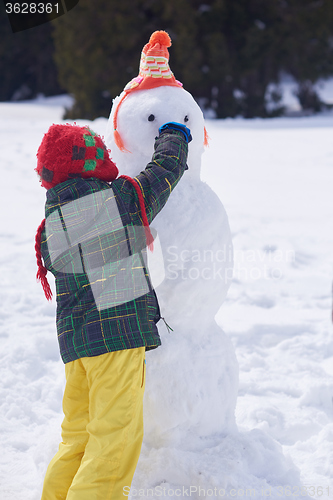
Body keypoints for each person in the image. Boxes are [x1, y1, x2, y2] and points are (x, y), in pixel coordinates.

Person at [34, 121, 191, 499]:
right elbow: (163, 172)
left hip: (76, 351)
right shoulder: (117, 201)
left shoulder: (50, 225)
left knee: (77, 438)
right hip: (114, 341)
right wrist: (174, 134)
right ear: (93, 165)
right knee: (113, 442)